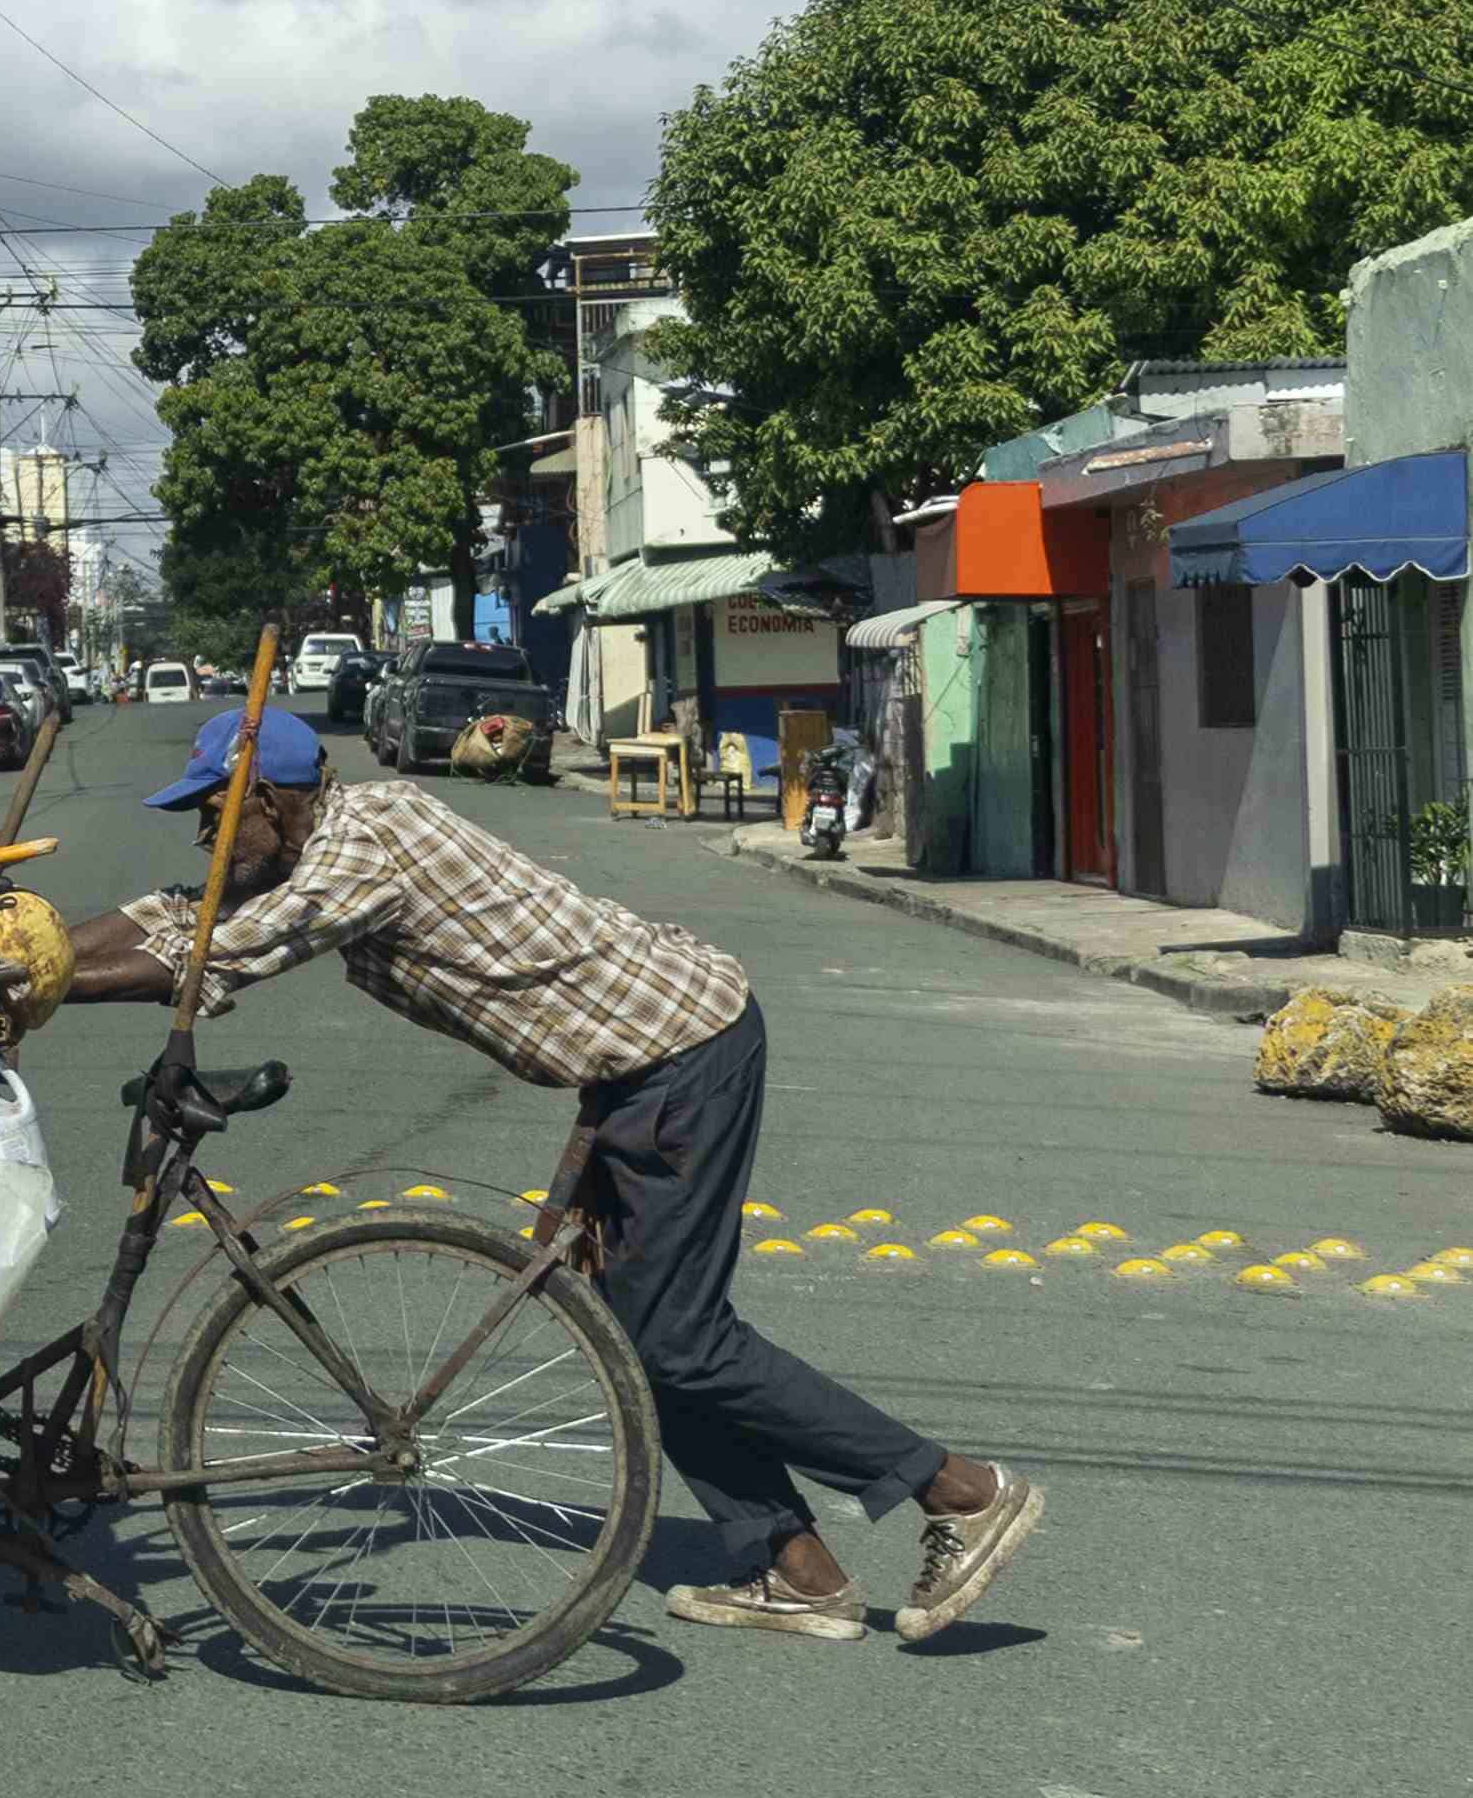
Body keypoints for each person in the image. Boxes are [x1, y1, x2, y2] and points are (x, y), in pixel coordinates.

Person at [65, 706, 1045, 1647]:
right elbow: (193, 915)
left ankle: (956, 1488)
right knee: (632, 1330)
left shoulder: (359, 851)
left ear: (270, 801)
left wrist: (42, 980)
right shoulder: (339, 832)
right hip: (635, 1068)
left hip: (682, 1055)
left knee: (682, 1342)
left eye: (211, 811)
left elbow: (228, 948)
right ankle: (791, 1569)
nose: (201, 834)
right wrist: (29, 945)